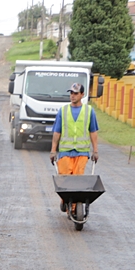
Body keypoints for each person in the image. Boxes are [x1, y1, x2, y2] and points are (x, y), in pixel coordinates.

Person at [50, 82, 99, 212]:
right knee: (65, 179)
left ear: (82, 95)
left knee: (77, 181)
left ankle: (73, 208)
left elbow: (93, 132)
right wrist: (53, 150)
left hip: (82, 152)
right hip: (65, 151)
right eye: (71, 93)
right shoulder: (63, 110)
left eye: (76, 93)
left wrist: (95, 150)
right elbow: (57, 132)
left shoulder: (89, 111)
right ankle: (65, 200)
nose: (72, 95)